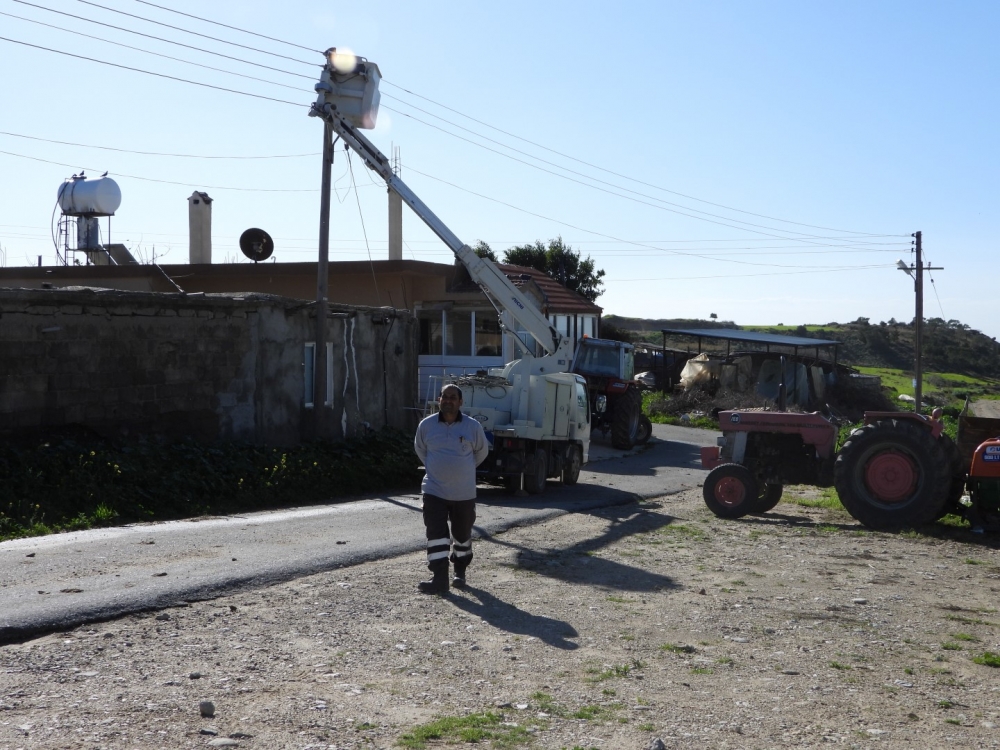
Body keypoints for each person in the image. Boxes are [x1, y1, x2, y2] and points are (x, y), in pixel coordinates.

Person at [413, 384, 489, 593]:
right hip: (434, 490)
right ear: (439, 400)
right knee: (436, 534)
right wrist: (437, 468)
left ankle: (460, 572)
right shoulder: (427, 425)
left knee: (462, 535)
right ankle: (439, 579)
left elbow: (481, 453)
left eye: (453, 397)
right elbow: (421, 449)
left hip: (463, 493)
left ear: (460, 402)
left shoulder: (472, 427)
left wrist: (463, 470)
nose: (448, 400)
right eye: (444, 397)